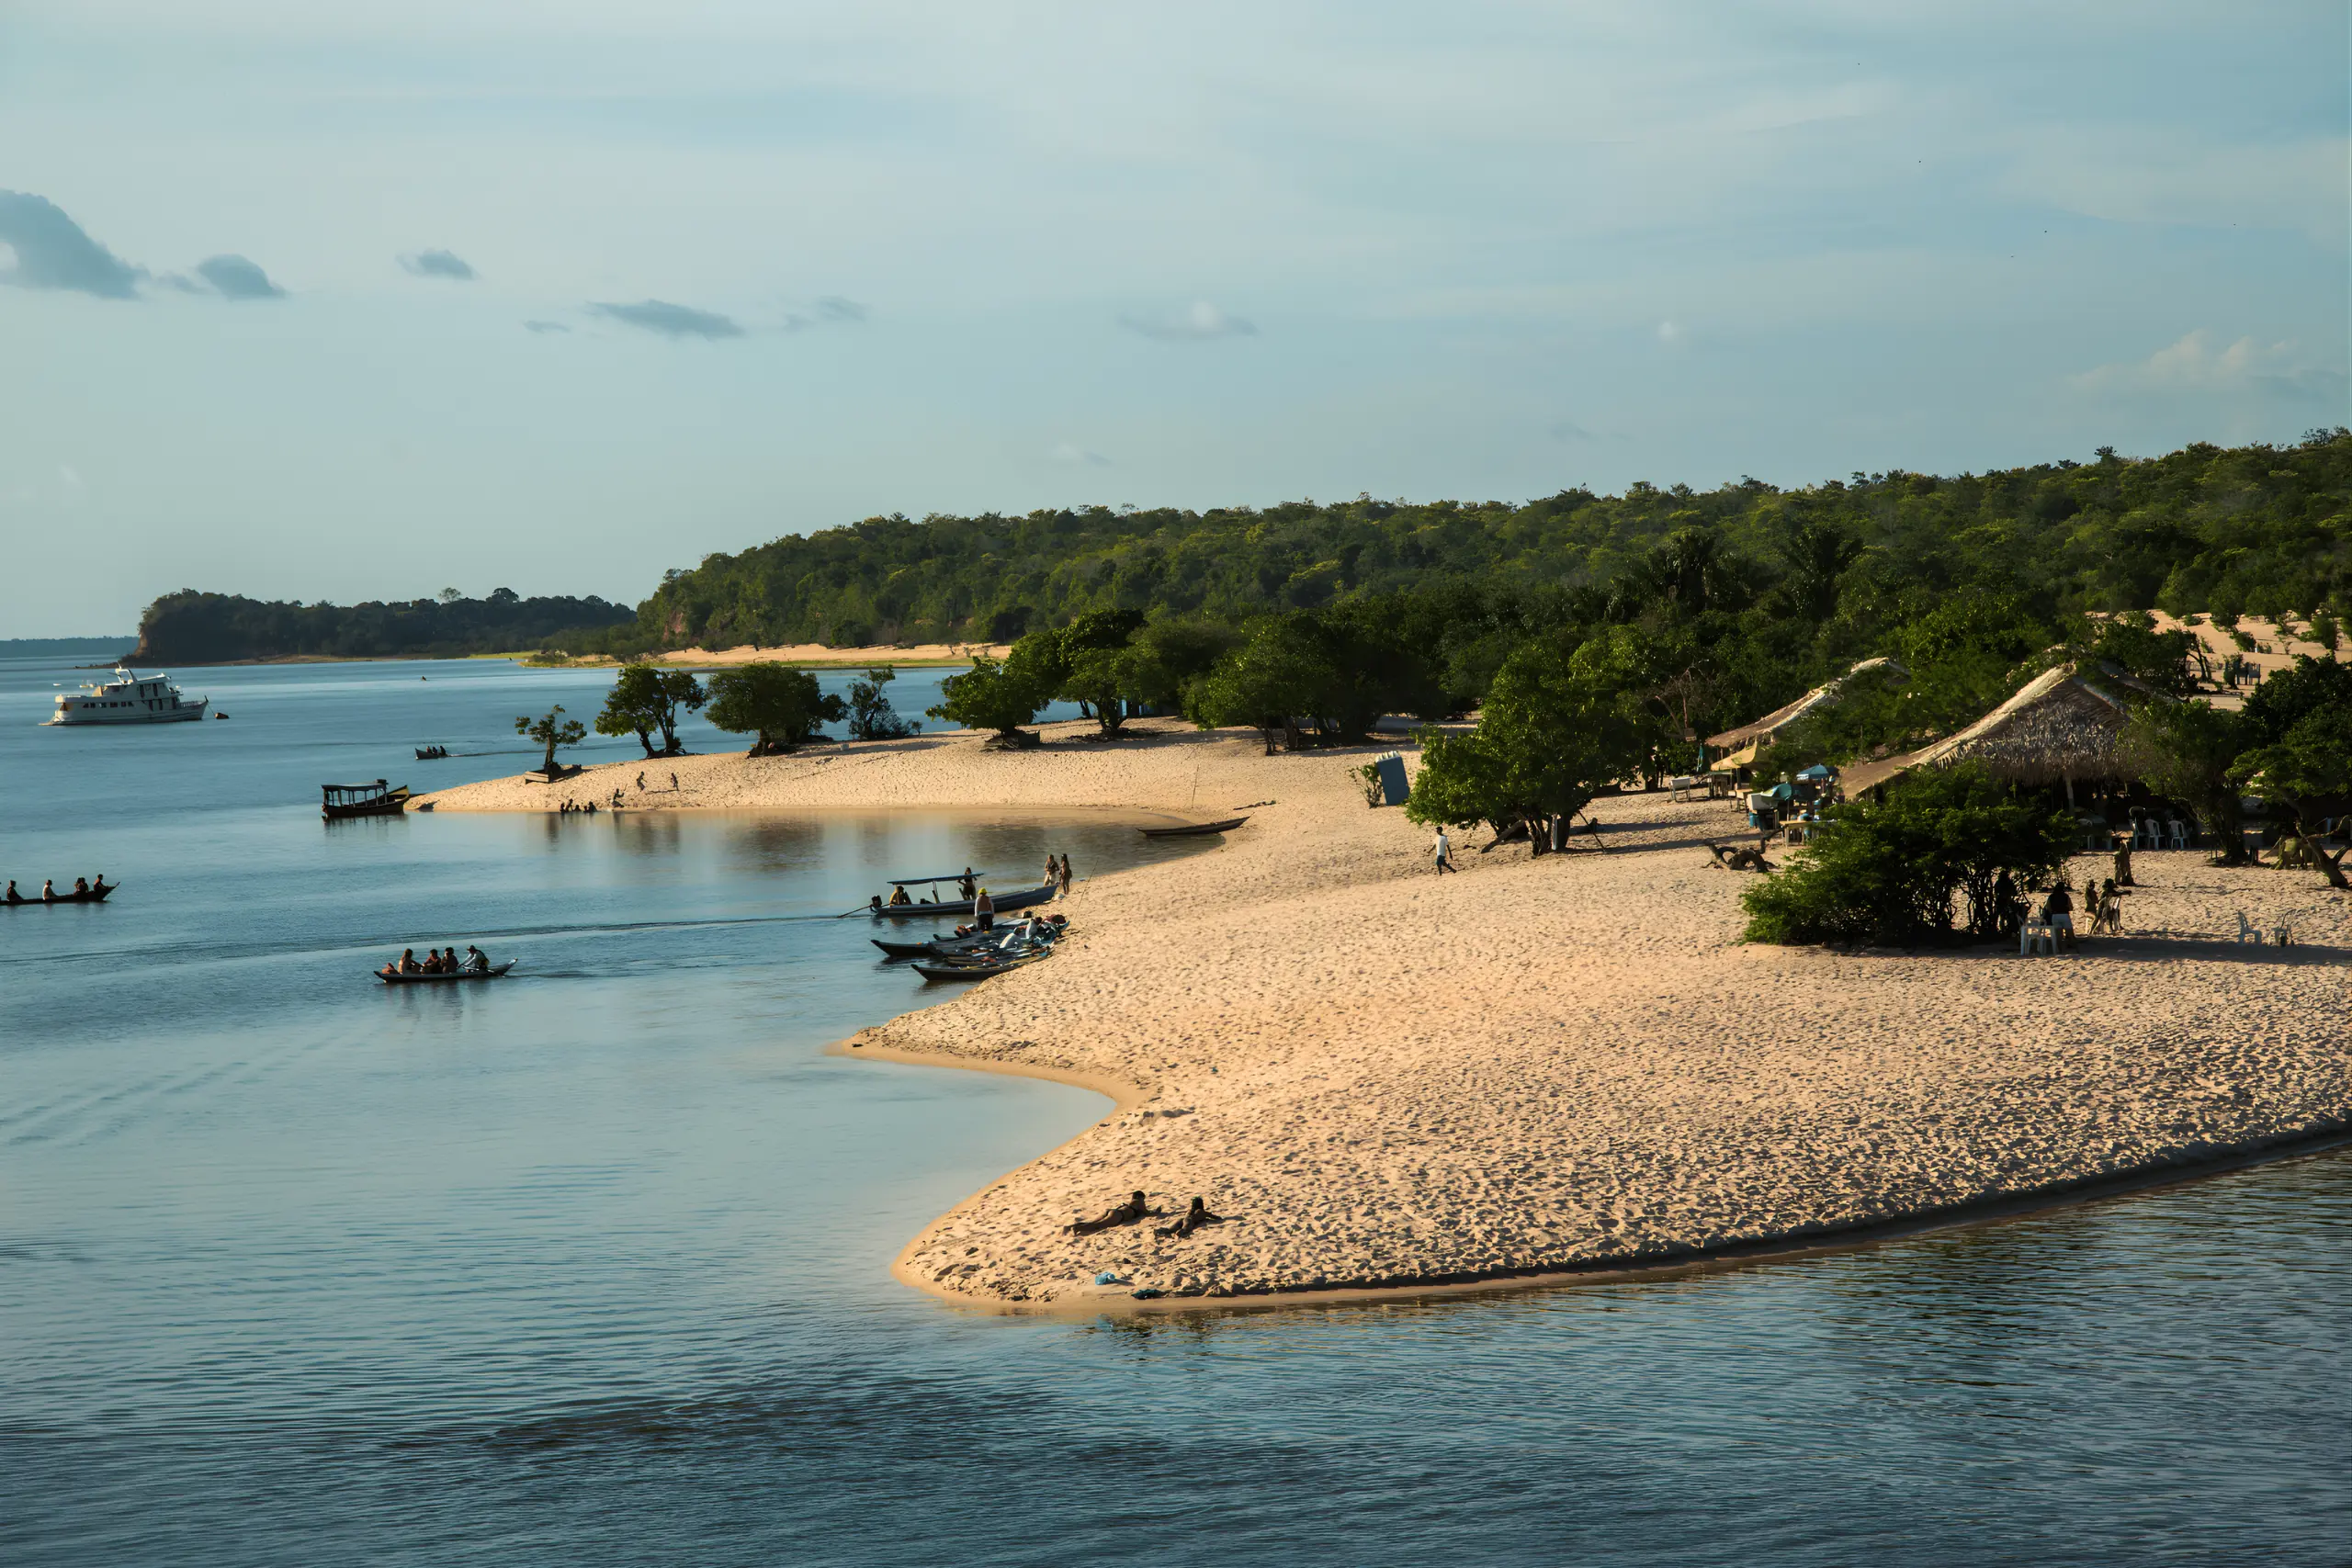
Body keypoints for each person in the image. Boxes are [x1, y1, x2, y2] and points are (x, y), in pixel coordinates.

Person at [1066, 1190, 1153, 1235]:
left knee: (1092, 1222)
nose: (1143, 1200)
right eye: (1143, 1198)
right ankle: (1077, 1229)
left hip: (1113, 1211)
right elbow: (1148, 1213)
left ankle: (1070, 1227)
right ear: (1139, 1197)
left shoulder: (1132, 1203)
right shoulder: (1138, 1201)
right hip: (1118, 1215)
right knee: (1098, 1225)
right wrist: (1157, 1212)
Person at [1155, 1197, 1227, 1239]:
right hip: (1190, 1220)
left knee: (1170, 1229)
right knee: (1185, 1229)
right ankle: (1178, 1234)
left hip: (1182, 1219)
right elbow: (1214, 1217)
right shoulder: (1201, 1211)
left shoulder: (1190, 1211)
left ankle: (1159, 1231)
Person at [2042, 882, 2075, 948]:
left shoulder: (2051, 896)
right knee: (2070, 934)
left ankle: (2060, 950)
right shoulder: (2066, 896)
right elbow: (2071, 907)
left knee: (2058, 935)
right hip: (2064, 915)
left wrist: (2052, 911)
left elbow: (2047, 907)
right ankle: (2076, 948)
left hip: (2055, 916)